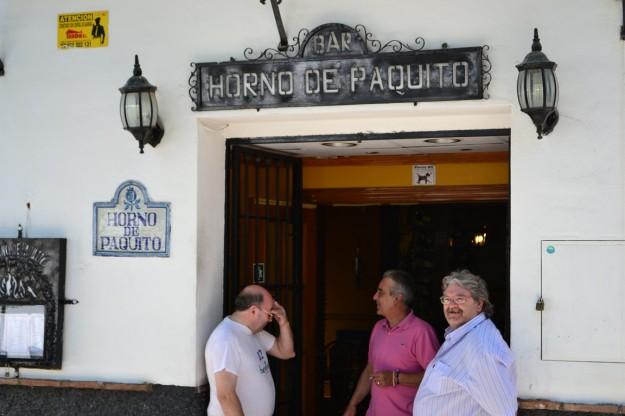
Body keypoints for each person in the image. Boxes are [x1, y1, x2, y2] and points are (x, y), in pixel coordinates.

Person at [413, 269, 518, 415]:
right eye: (447, 299)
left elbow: (504, 412)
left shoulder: (481, 348)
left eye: (460, 299)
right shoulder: (461, 335)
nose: (451, 305)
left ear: (479, 304)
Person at [343, 270, 440, 416]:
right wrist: (353, 404)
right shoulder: (378, 328)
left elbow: (437, 378)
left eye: (380, 292)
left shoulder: (421, 332)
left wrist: (396, 378)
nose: (374, 297)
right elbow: (370, 369)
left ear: (397, 298)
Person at [205, 285, 295, 416]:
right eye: (269, 314)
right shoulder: (226, 340)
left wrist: (284, 322)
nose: (270, 320)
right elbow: (225, 396)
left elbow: (286, 352)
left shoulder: (254, 333)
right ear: (253, 311)